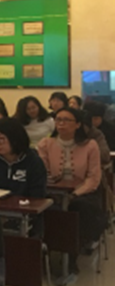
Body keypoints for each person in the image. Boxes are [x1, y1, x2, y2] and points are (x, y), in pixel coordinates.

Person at [38, 108, 105, 265]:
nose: (61, 123)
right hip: (54, 191)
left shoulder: (90, 145)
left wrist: (75, 194)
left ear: (78, 124)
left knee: (78, 208)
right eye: (58, 119)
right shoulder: (46, 144)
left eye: (66, 120)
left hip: (84, 192)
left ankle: (71, 256)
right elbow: (44, 173)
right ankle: (49, 251)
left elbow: (93, 178)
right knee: (47, 208)